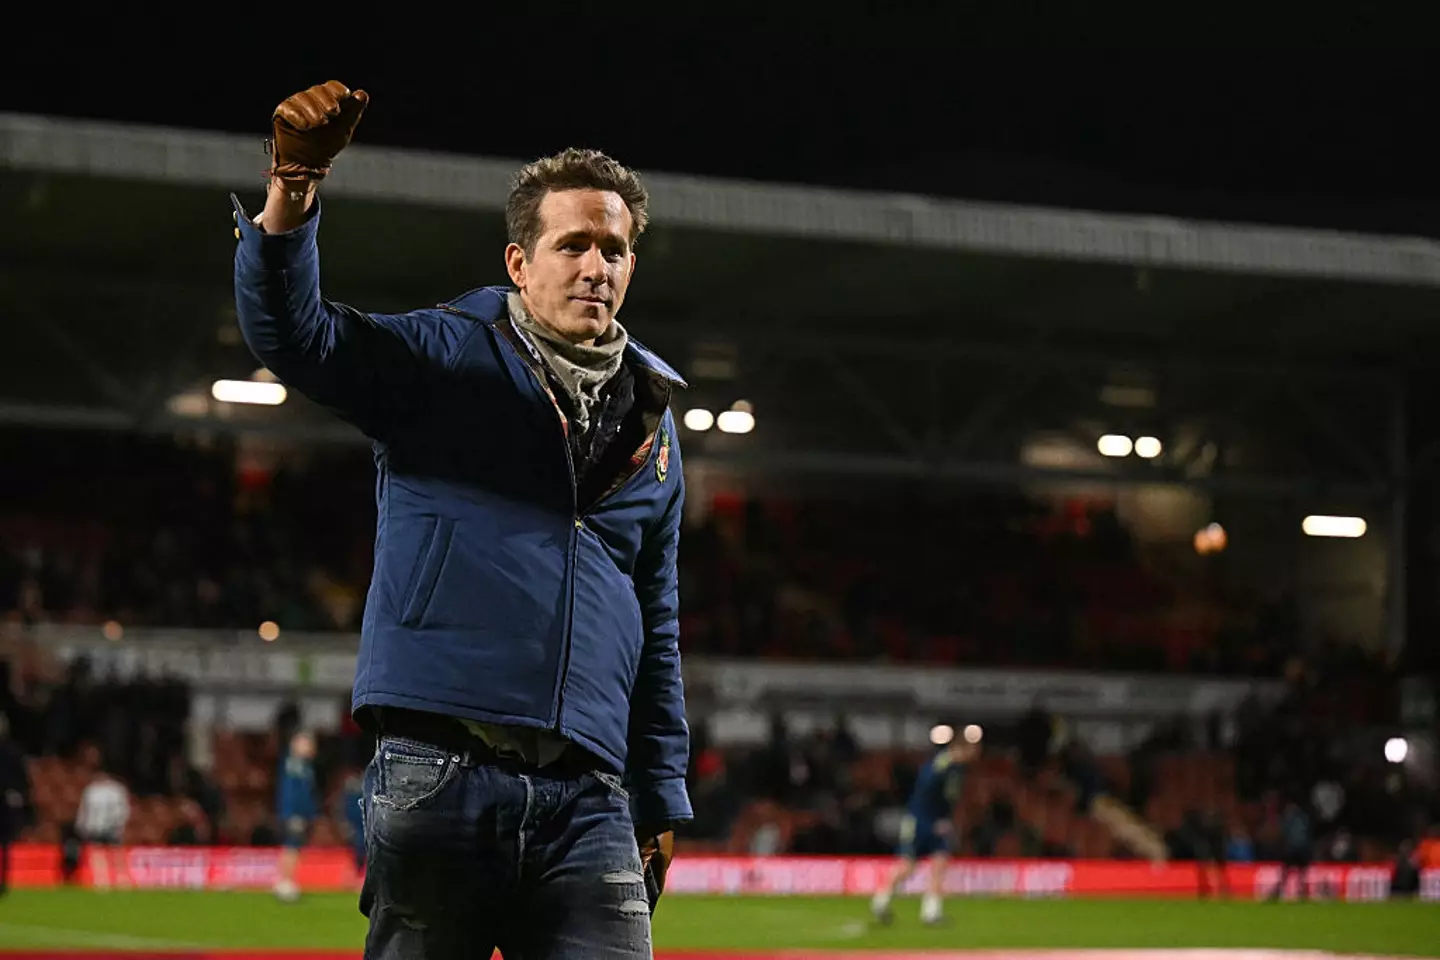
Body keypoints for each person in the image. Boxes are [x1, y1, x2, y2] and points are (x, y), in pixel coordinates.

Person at [232, 81, 691, 959]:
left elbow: (656, 618)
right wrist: (293, 188)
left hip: (591, 795)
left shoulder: (654, 419)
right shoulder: (445, 355)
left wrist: (660, 793)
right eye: (573, 245)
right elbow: (298, 338)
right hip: (441, 773)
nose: (597, 266)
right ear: (520, 263)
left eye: (615, 248)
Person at [870, 731, 980, 926]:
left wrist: (944, 819)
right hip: (921, 821)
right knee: (907, 865)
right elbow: (926, 792)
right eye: (971, 750)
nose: (973, 754)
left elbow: (950, 799)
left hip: (939, 823)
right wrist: (935, 819)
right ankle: (881, 900)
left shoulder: (957, 769)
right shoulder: (941, 766)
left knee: (940, 862)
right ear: (960, 749)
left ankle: (931, 912)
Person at [274, 731, 318, 903]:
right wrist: (293, 813)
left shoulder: (304, 766)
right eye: (305, 744)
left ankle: (287, 881)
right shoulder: (294, 765)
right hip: (293, 813)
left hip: (300, 813)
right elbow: (292, 792)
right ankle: (285, 882)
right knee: (291, 846)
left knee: (294, 847)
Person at [75, 765, 130, 890]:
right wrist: (83, 826)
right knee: (98, 855)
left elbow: (123, 809)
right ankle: (102, 880)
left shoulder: (116, 789)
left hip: (111, 827)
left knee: (116, 855)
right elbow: (84, 810)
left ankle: (121, 880)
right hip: (95, 828)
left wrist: (119, 824)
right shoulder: (91, 790)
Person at [1269, 800, 1313, 901]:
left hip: (1292, 849)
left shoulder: (1289, 818)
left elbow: (1284, 833)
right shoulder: (1304, 818)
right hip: (1302, 849)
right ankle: (1302, 893)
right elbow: (1308, 834)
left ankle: (1278, 892)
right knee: (1301, 873)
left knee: (1285, 873)